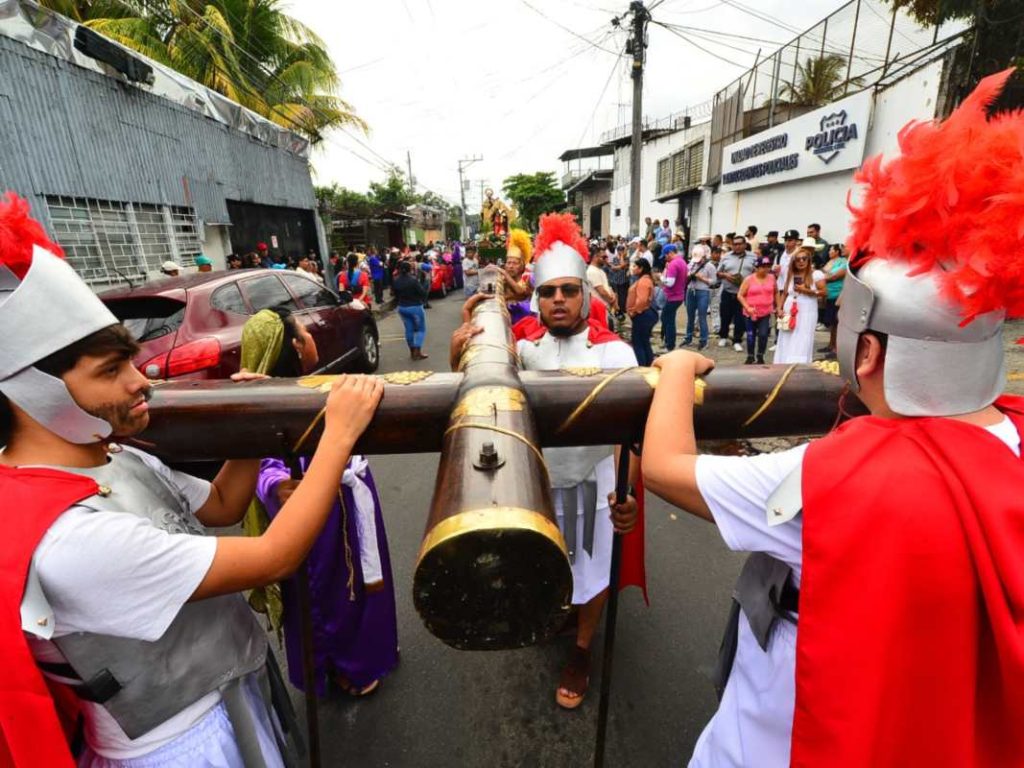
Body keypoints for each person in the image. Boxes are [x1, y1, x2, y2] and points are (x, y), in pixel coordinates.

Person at [643, 70, 1024, 768]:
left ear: (868, 351)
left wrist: (673, 371)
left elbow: (663, 468)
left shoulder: (835, 477)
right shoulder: (1016, 437)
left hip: (784, 734)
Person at [0, 192, 384, 766]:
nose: (140, 382)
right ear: (32, 392)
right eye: (111, 371)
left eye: (131, 362)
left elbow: (227, 504)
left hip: (225, 692)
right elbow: (276, 555)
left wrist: (254, 413)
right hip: (176, 745)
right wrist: (339, 434)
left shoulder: (115, 459)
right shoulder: (69, 537)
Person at [449, 212, 639, 712]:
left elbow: (631, 432)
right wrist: (460, 348)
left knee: (595, 572)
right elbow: (477, 390)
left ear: (585, 296)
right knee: (541, 562)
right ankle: (555, 613)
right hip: (534, 484)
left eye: (568, 291)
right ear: (536, 297)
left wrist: (629, 490)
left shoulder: (616, 354)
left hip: (593, 481)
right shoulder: (524, 348)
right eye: (549, 291)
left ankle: (580, 649)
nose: (558, 300)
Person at [239, 308, 398, 698]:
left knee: (365, 583)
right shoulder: (271, 404)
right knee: (332, 594)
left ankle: (370, 651)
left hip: (352, 496)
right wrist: (277, 485)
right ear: (294, 346)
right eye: (305, 333)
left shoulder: (321, 387)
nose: (311, 339)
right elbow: (265, 465)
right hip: (318, 515)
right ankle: (341, 667)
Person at [773, 241, 826, 364]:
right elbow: (784, 293)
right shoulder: (790, 274)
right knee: (787, 334)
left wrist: (806, 290)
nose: (801, 261)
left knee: (803, 336)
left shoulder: (816, 274)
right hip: (790, 307)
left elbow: (824, 292)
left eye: (804, 259)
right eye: (797, 259)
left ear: (809, 260)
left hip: (807, 308)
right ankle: (783, 362)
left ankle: (799, 363)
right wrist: (779, 308)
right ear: (793, 262)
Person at [717, 235, 756, 352]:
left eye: (740, 244)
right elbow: (718, 272)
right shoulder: (726, 257)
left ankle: (737, 340)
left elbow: (757, 273)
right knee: (725, 316)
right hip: (728, 291)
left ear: (745, 244)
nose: (737, 246)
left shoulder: (752, 257)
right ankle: (723, 336)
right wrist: (726, 275)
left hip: (744, 294)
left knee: (740, 318)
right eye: (735, 244)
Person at [737, 254, 776, 364]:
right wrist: (747, 307)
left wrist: (777, 305)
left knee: (763, 334)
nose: (766, 269)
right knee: (750, 335)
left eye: (768, 266)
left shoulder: (772, 278)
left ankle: (760, 355)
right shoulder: (749, 279)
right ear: (757, 267)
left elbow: (776, 291)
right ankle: (750, 355)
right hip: (750, 312)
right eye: (763, 266)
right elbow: (740, 295)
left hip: (765, 312)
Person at [393, 260, 429, 360]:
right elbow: (423, 293)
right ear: (410, 270)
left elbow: (395, 295)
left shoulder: (396, 280)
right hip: (415, 307)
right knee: (420, 329)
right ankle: (418, 351)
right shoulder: (413, 280)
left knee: (409, 329)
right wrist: (426, 283)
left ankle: (412, 351)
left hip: (402, 308)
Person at [683, 244, 716, 350]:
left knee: (702, 316)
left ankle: (703, 340)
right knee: (690, 316)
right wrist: (689, 275)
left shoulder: (710, 266)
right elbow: (685, 275)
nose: (697, 261)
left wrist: (702, 278)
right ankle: (688, 338)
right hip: (691, 291)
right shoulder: (691, 264)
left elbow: (713, 282)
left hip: (703, 292)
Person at [627, 257, 657, 366]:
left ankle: (642, 365)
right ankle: (648, 363)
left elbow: (642, 300)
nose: (633, 268)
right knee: (644, 341)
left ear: (641, 268)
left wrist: (634, 311)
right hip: (645, 314)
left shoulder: (644, 281)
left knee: (638, 342)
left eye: (635, 266)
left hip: (642, 315)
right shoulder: (645, 279)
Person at [820, 243, 847, 358]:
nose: (843, 249)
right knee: (832, 323)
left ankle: (836, 348)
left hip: (837, 294)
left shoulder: (845, 263)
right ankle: (831, 345)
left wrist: (822, 278)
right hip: (830, 295)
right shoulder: (836, 262)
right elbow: (826, 272)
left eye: (845, 247)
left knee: (836, 322)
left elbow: (834, 276)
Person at [660, 244, 688, 352]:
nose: (665, 258)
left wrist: (661, 277)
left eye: (665, 255)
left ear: (670, 253)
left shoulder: (673, 264)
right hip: (679, 295)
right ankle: (668, 343)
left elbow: (670, 283)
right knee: (668, 319)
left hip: (673, 297)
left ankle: (669, 345)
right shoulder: (682, 261)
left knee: (668, 320)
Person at [586, 248, 618, 327]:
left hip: (605, 307)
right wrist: (612, 300)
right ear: (595, 257)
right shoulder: (592, 271)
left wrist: (613, 295)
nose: (606, 259)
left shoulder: (600, 270)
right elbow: (602, 291)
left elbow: (606, 286)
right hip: (598, 309)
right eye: (603, 257)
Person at [608, 243, 630, 319]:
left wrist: (621, 257)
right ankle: (619, 309)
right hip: (617, 279)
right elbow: (613, 268)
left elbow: (623, 265)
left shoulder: (626, 258)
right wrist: (620, 267)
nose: (620, 251)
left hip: (624, 280)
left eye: (622, 250)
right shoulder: (614, 258)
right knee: (618, 295)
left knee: (623, 295)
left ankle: (623, 309)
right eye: (619, 250)